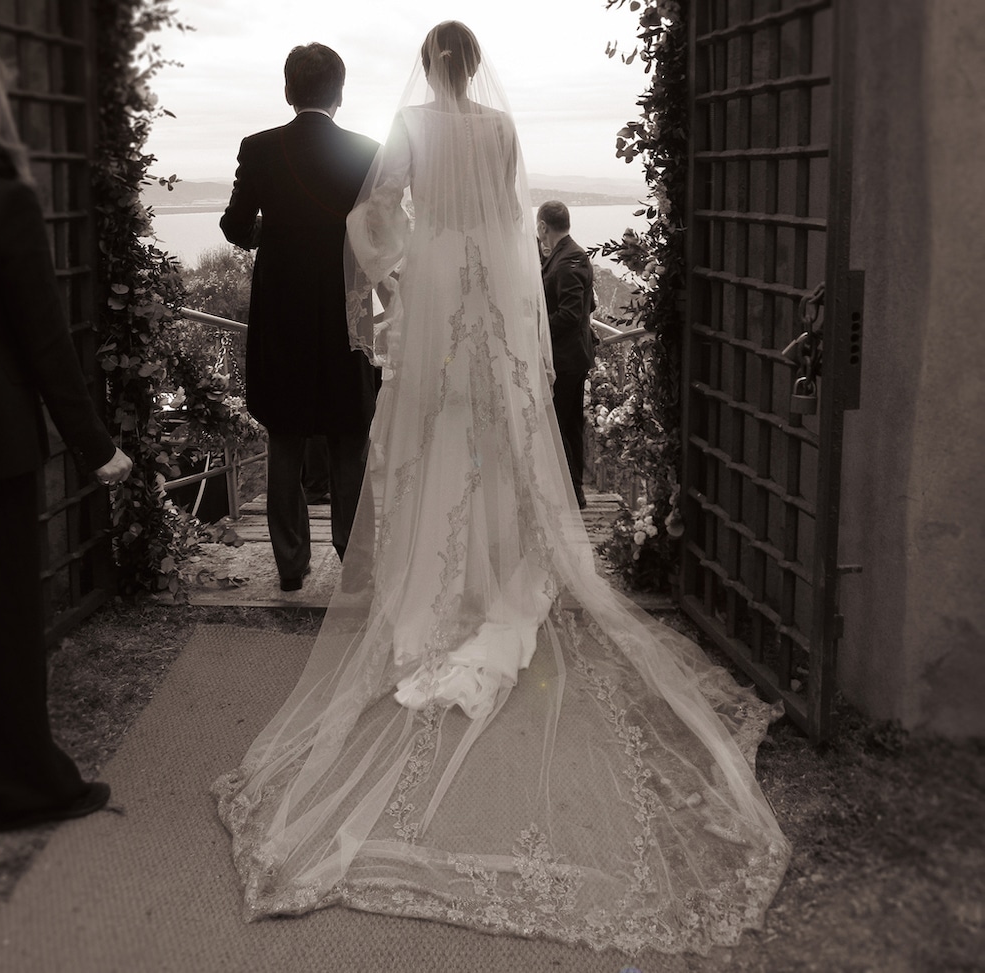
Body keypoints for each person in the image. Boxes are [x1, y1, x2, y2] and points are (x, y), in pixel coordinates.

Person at [213, 22, 789, 955]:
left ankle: (423, 583)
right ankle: (492, 580)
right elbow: (516, 229)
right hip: (489, 297)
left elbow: (374, 217)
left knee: (430, 437)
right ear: (476, 67)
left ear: (425, 68)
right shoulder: (503, 130)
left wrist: (396, 271)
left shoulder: (409, 127)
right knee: (492, 440)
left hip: (435, 293)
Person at [0, 50, 133, 832]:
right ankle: (26, 786)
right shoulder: (4, 199)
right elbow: (44, 340)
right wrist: (96, 446)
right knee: (5, 618)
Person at [220, 43, 379, 591]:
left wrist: (271, 236)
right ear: (340, 93)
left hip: (281, 310)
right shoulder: (367, 152)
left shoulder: (259, 148)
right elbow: (376, 235)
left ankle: (290, 565)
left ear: (289, 91)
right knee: (348, 432)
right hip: (345, 309)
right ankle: (354, 562)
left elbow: (235, 226)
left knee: (285, 433)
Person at [537, 200, 597, 509]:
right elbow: (591, 305)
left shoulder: (567, 260)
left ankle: (572, 491)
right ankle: (574, 491)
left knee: (561, 423)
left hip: (566, 358)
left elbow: (570, 315)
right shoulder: (570, 254)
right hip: (573, 355)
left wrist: (536, 329)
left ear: (543, 226)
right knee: (569, 422)